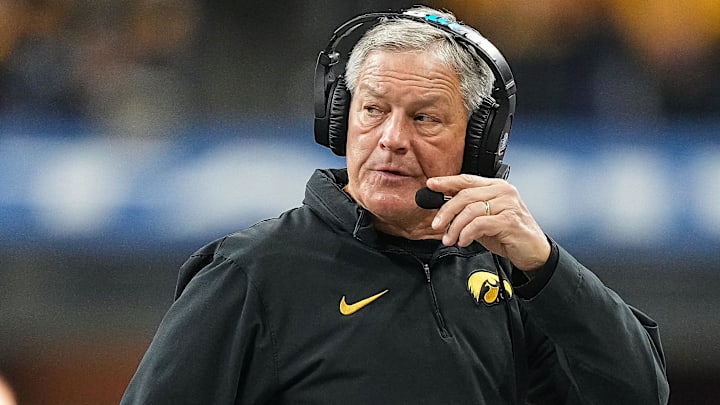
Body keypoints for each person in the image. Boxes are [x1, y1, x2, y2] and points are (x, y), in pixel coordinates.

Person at [120, 5, 669, 404]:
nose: (391, 138)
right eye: (373, 110)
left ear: (477, 141)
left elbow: (640, 392)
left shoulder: (511, 277)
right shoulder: (249, 273)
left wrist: (545, 265)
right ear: (340, 118)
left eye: (424, 117)